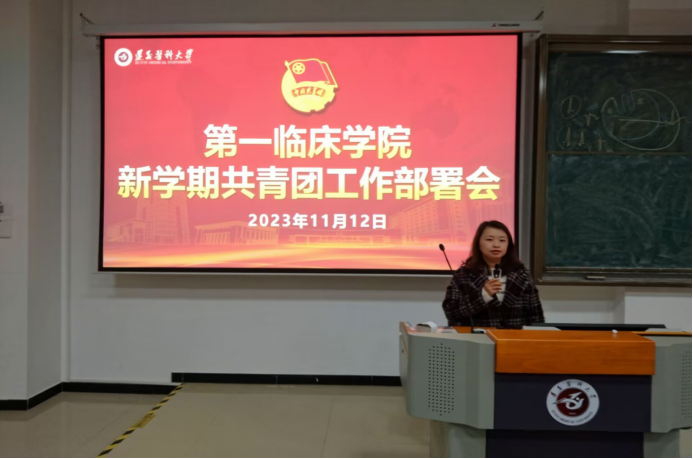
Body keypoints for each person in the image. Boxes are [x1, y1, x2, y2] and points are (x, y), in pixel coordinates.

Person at [443, 221, 545, 329]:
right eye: (489, 239)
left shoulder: (522, 276)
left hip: (514, 338)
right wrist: (483, 295)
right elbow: (451, 313)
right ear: (478, 244)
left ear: (508, 245)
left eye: (502, 240)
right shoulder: (463, 275)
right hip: (477, 338)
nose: (496, 245)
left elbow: (536, 318)